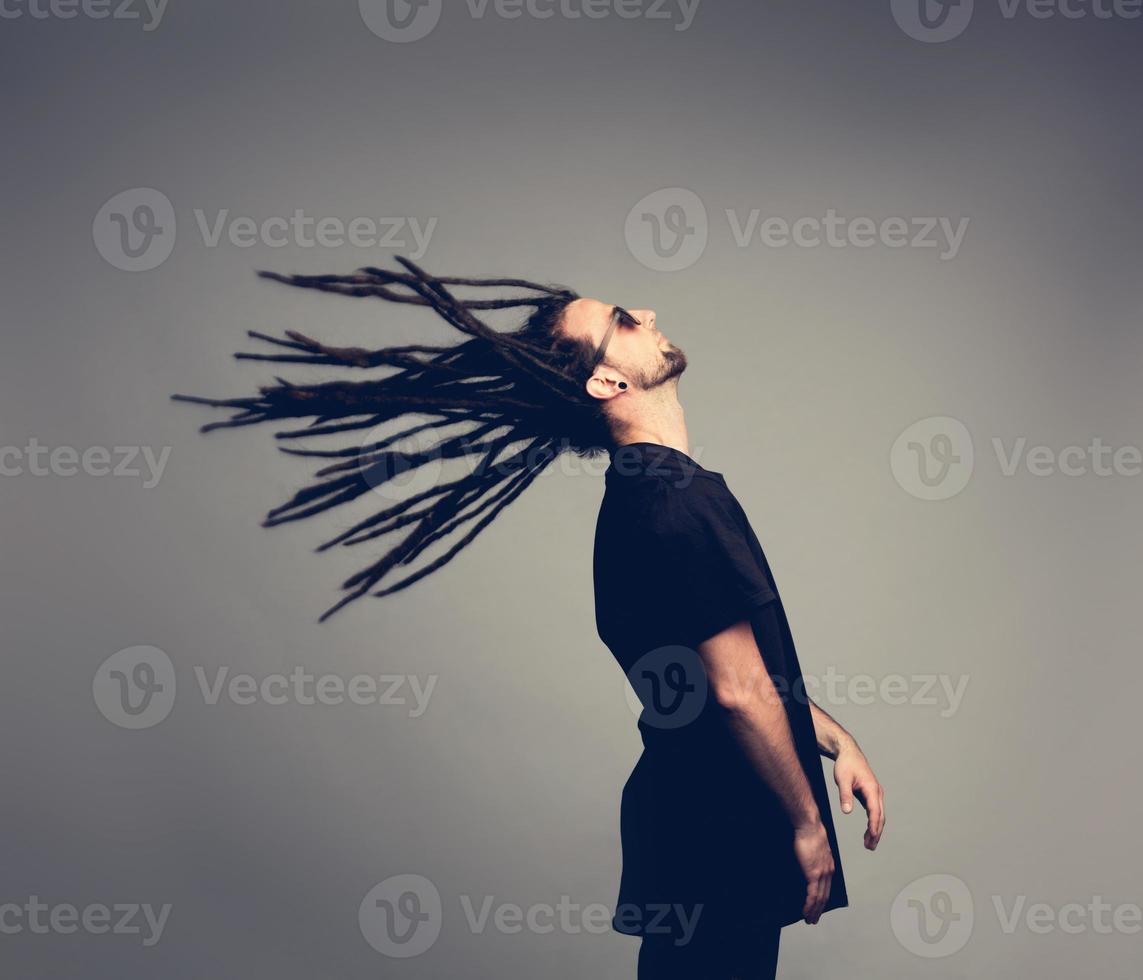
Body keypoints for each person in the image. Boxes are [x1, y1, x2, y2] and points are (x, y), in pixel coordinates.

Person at [173, 259, 885, 978]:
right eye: (620, 321)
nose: (644, 312)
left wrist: (835, 741)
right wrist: (805, 822)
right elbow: (735, 690)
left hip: (698, 825)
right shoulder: (672, 501)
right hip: (720, 829)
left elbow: (731, 673)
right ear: (605, 382)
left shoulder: (651, 495)